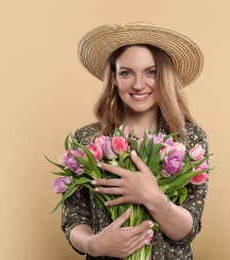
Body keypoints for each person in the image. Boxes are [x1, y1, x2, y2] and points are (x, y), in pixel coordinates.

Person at [61, 22, 210, 260]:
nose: (138, 84)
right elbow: (74, 219)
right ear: (114, 77)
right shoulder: (87, 140)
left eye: (151, 72)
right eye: (126, 72)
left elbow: (187, 230)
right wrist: (94, 244)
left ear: (165, 77)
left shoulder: (189, 138)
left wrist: (153, 197)